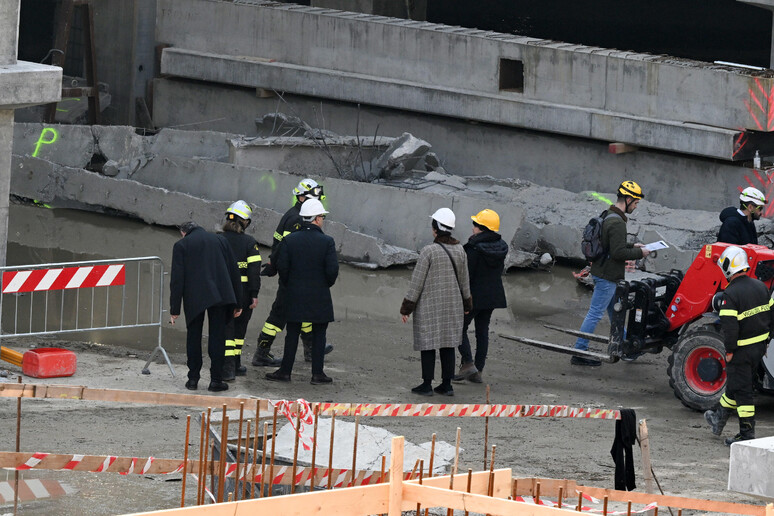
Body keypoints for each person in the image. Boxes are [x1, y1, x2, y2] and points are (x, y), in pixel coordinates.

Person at [251, 178, 333, 367]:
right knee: (279, 315)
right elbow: (286, 247)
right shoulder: (297, 219)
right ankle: (262, 352)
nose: (319, 199)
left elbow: (278, 243)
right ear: (303, 197)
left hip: (292, 274)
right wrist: (276, 266)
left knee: (304, 311)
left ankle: (311, 349)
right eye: (315, 196)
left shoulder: (293, 214)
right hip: (291, 276)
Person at [572, 181, 651, 366]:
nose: (636, 206)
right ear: (628, 198)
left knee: (615, 312)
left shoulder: (609, 214)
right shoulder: (617, 222)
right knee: (595, 314)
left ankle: (626, 346)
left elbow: (611, 244)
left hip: (604, 272)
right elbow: (618, 253)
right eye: (636, 202)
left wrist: (633, 245)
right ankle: (579, 351)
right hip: (607, 275)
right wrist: (641, 253)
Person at [704, 245, 774, 445]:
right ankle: (718, 418)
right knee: (737, 385)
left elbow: (730, 328)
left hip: (741, 351)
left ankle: (746, 434)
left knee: (743, 393)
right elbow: (771, 316)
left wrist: (729, 351)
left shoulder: (730, 294)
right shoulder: (761, 286)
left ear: (728, 267)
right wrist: (768, 339)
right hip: (759, 347)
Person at [400, 208, 473, 396]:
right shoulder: (460, 251)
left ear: (435, 229)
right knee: (448, 344)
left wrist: (407, 308)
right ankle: (447, 385)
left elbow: (417, 283)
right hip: (453, 306)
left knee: (428, 343)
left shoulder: (429, 251)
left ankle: (426, 384)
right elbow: (465, 281)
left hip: (429, 306)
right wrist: (467, 305)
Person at [265, 199, 339, 384]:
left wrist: (292, 284)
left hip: (294, 293)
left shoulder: (290, 240)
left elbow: (283, 267)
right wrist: (323, 285)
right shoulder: (327, 241)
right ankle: (317, 374)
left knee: (292, 332)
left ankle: (285, 372)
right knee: (319, 333)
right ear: (315, 219)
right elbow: (332, 271)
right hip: (319, 295)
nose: (322, 219)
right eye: (322, 216)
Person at [169, 221, 242, 392]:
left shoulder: (181, 245)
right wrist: (238, 302)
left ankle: (193, 379)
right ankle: (216, 380)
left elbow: (177, 279)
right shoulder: (221, 240)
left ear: (183, 232)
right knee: (218, 337)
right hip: (220, 295)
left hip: (194, 297)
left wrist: (175, 309)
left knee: (194, 337)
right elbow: (234, 271)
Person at [453, 209, 508, 384]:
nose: (472, 227)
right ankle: (478, 371)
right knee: (482, 332)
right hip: (492, 296)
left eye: (475, 224)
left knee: (458, 329)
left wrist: (463, 299)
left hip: (474, 296)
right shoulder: (501, 247)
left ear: (481, 228)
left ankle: (468, 363)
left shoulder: (474, 248)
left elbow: (466, 276)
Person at [220, 201, 262, 381]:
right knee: (239, 330)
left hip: (221, 292)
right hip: (243, 293)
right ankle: (234, 365)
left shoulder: (218, 239)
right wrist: (254, 294)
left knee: (225, 329)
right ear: (245, 222)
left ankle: (229, 366)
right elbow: (254, 271)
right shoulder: (249, 243)